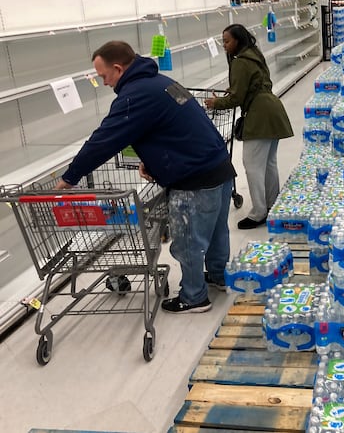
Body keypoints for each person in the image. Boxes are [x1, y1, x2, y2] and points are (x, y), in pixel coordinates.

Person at [56, 41, 235, 314]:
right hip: (218, 166)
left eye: (104, 76)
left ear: (118, 68)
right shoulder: (160, 81)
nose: (104, 83)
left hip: (194, 177)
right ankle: (219, 277)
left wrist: (70, 177)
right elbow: (174, 126)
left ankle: (194, 297)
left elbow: (103, 141)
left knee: (189, 240)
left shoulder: (134, 95)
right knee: (216, 231)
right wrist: (151, 160)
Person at [205, 24, 294, 229]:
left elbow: (236, 98)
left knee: (252, 166)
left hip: (259, 116)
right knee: (269, 164)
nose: (225, 46)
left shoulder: (240, 62)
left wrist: (215, 103)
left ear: (238, 40)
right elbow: (254, 84)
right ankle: (272, 205)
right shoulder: (255, 55)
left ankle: (258, 213)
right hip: (272, 109)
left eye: (227, 41)